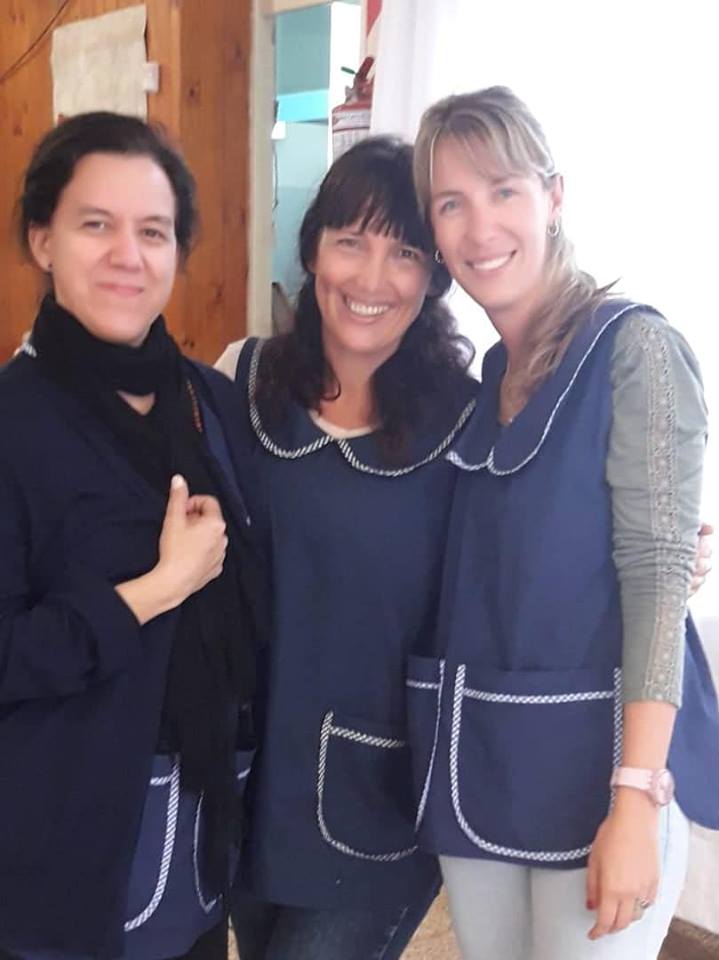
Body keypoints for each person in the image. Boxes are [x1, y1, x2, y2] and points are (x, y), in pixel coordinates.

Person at [404, 86, 719, 960]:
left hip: (603, 774)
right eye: (451, 203)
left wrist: (636, 799)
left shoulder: (635, 349)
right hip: (487, 762)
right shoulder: (487, 381)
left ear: (553, 196)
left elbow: (655, 581)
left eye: (502, 190)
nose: (480, 227)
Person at [0, 113, 258, 960]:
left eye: (152, 231)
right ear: (43, 240)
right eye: (95, 225)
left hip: (200, 832)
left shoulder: (208, 402)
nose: (127, 255)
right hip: (61, 851)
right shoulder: (14, 424)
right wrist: (156, 590)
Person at [215, 136, 479, 960]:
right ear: (311, 252)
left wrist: (653, 553)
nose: (371, 279)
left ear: (433, 276)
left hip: (381, 804)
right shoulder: (239, 382)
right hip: (243, 783)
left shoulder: (469, 425)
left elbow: (533, 554)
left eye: (404, 253)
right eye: (349, 241)